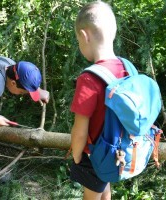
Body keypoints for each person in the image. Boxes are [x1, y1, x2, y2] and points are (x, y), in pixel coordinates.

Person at [69, 1, 127, 200]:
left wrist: (77, 154)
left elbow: (80, 128)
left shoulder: (89, 78)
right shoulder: (126, 68)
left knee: (91, 195)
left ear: (84, 36)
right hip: (117, 149)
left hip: (96, 154)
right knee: (104, 187)